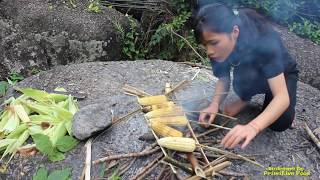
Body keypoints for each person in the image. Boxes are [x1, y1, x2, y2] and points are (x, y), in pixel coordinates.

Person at [193, 4, 299, 149]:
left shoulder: (263, 39)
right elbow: (223, 78)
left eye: (213, 43)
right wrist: (214, 105)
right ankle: (245, 98)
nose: (209, 51)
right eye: (205, 45)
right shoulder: (215, 43)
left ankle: (289, 111)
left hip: (283, 74)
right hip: (254, 71)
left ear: (234, 32)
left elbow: (281, 97)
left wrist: (253, 126)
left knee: (279, 122)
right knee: (240, 84)